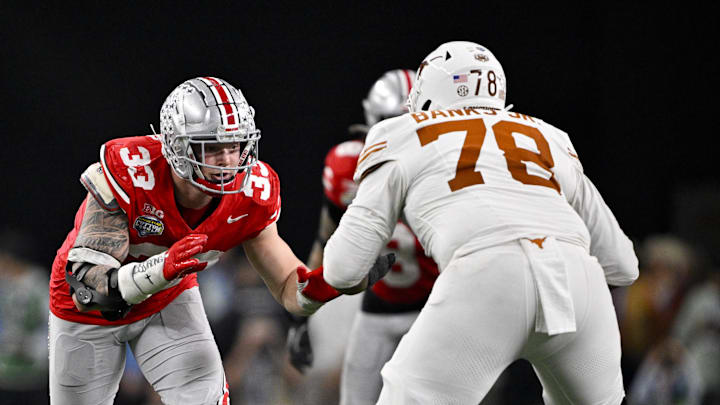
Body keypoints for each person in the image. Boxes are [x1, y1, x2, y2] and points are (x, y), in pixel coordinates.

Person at [322, 41, 640, 403]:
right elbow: (622, 265)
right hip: (579, 282)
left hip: (487, 272)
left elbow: (341, 270)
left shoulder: (400, 133)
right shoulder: (550, 136)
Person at [47, 76, 383, 405]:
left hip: (166, 298)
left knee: (204, 397)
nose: (227, 161)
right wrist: (160, 268)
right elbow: (86, 291)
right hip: (89, 315)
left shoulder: (253, 193)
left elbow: (287, 287)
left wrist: (326, 286)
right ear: (177, 147)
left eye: (234, 146)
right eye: (213, 148)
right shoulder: (131, 169)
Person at [286, 70, 439, 405]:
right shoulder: (347, 167)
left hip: (437, 311)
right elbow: (324, 244)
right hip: (378, 310)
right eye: (393, 123)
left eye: (412, 124)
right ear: (373, 122)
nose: (403, 136)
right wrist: (301, 320)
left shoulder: (446, 169)